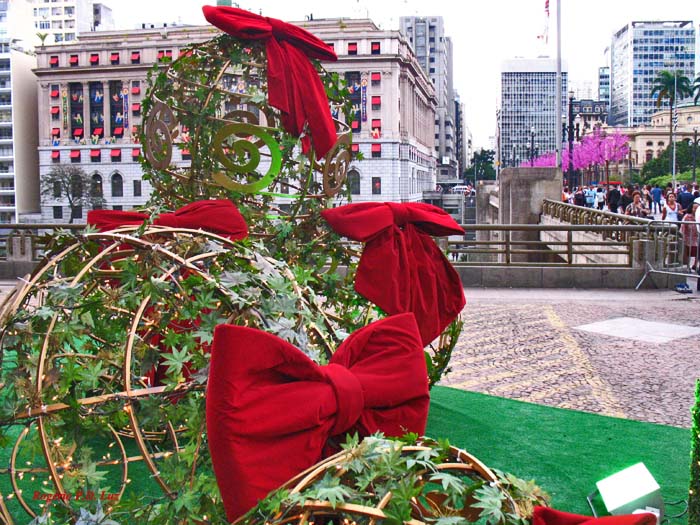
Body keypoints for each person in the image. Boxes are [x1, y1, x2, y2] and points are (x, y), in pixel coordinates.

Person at [681, 201, 698, 268]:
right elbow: (683, 227)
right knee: (688, 253)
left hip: (696, 238)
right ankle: (687, 266)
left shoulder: (698, 217)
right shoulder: (687, 217)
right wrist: (683, 236)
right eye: (695, 208)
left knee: (697, 253)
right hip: (688, 238)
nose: (696, 210)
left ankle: (695, 265)